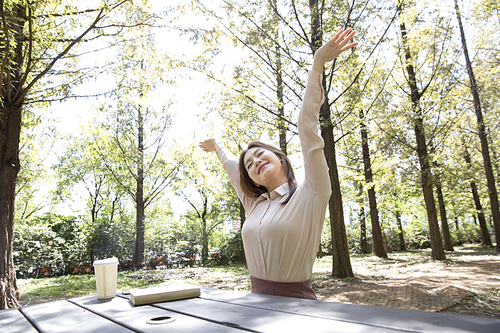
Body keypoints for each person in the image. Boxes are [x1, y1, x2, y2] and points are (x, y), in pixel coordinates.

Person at [199, 28, 359, 300]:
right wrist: (216, 145)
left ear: (281, 158)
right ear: (252, 179)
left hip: (297, 307)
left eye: (261, 155)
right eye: (249, 164)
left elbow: (307, 130)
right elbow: (230, 167)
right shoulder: (253, 204)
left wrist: (317, 65)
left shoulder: (311, 194)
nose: (255, 162)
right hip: (254, 307)